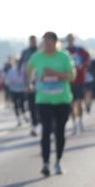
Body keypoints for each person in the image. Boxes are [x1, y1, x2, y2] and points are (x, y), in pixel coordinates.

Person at [25, 31, 74, 176]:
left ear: (55, 42)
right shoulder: (37, 57)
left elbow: (72, 76)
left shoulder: (64, 57)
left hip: (62, 100)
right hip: (44, 100)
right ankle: (45, 163)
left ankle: (58, 161)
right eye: (44, 41)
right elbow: (29, 70)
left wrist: (55, 74)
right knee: (46, 131)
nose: (46, 44)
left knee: (60, 132)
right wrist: (30, 83)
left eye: (49, 41)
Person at [65, 33, 91, 136]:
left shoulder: (80, 50)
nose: (71, 41)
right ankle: (74, 124)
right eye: (69, 39)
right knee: (71, 104)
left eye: (72, 39)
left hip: (80, 80)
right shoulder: (64, 52)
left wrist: (83, 65)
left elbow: (88, 60)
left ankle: (80, 121)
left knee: (79, 103)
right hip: (68, 81)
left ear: (74, 40)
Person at [18, 35, 40, 136]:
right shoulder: (25, 52)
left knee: (40, 105)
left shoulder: (41, 51)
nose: (33, 42)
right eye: (31, 41)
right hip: (29, 83)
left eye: (34, 41)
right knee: (31, 105)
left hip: (41, 83)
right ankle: (34, 124)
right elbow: (21, 66)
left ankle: (39, 122)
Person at [3, 56, 29, 125]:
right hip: (13, 90)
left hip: (21, 90)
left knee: (22, 104)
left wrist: (25, 84)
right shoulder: (11, 71)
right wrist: (11, 82)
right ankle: (18, 119)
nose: (18, 64)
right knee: (16, 105)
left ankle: (24, 115)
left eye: (19, 62)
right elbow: (7, 81)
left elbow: (26, 79)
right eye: (17, 62)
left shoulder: (23, 70)